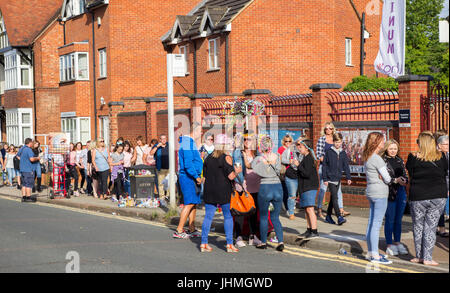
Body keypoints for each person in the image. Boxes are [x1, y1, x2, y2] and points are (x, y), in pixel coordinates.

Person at [406, 132, 448, 266]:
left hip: (418, 196)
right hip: (438, 196)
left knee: (418, 226)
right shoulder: (441, 157)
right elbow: (445, 172)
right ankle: (428, 258)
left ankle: (419, 256)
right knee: (430, 227)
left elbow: (410, 173)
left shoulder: (412, 157)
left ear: (420, 143)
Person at [363, 132, 404, 265]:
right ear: (376, 142)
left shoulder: (368, 156)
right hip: (380, 193)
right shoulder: (378, 159)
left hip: (370, 191)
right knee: (376, 225)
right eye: (382, 141)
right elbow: (387, 179)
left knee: (371, 223)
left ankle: (371, 252)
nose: (383, 143)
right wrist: (396, 179)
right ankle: (375, 254)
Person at [200, 134, 242, 253]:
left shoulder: (208, 158)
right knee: (228, 217)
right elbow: (231, 176)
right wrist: (237, 171)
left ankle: (203, 243)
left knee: (208, 217)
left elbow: (205, 175)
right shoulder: (226, 157)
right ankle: (229, 244)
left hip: (209, 190)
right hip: (223, 190)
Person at [251, 135, 285, 251]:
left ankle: (263, 242)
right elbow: (279, 169)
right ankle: (280, 241)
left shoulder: (259, 158)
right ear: (272, 146)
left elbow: (253, 167)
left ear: (261, 146)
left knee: (264, 217)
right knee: (275, 217)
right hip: (277, 187)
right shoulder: (277, 156)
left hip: (265, 187)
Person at [173, 123, 204, 239]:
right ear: (194, 130)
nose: (201, 133)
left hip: (191, 176)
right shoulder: (187, 143)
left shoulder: (189, 143)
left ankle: (191, 229)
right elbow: (188, 163)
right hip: (188, 177)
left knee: (194, 203)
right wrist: (196, 177)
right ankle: (179, 230)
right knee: (189, 203)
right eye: (200, 131)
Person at [233, 133, 262, 247]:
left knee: (253, 212)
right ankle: (238, 237)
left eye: (249, 139)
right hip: (243, 186)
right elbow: (237, 168)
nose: (246, 141)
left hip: (255, 186)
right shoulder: (238, 152)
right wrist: (239, 183)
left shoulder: (257, 153)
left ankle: (252, 236)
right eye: (244, 139)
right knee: (240, 212)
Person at [381, 139, 409, 256]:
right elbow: (384, 178)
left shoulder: (399, 160)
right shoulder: (383, 160)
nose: (393, 151)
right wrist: (396, 180)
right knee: (390, 218)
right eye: (391, 148)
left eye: (395, 149)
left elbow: (404, 174)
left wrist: (405, 180)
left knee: (398, 219)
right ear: (386, 148)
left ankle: (397, 242)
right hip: (389, 192)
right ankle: (389, 244)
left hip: (401, 191)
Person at [316, 122, 350, 219]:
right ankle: (319, 209)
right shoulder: (322, 139)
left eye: (330, 128)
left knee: (338, 190)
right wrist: (329, 162)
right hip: (325, 167)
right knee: (323, 189)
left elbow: (340, 154)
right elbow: (319, 155)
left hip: (335, 169)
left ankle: (341, 209)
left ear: (333, 129)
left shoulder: (336, 139)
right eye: (326, 129)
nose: (328, 130)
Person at [322, 133, 352, 225]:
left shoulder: (343, 153)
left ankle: (328, 216)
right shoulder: (329, 152)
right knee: (335, 197)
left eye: (339, 142)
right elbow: (324, 166)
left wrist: (348, 177)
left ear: (341, 142)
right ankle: (339, 216)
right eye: (336, 142)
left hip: (338, 178)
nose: (338, 144)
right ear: (333, 142)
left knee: (332, 198)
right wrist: (325, 178)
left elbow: (346, 166)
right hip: (330, 178)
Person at [296, 139, 320, 239]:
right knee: (306, 209)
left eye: (300, 147)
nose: (299, 148)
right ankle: (309, 229)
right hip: (305, 187)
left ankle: (314, 231)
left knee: (310, 209)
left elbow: (306, 173)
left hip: (310, 187)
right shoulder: (305, 158)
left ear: (306, 148)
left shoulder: (309, 158)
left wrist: (298, 165)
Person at [281, 137, 304, 220]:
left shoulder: (305, 151)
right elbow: (282, 158)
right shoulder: (290, 150)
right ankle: (291, 212)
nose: (299, 146)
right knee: (292, 195)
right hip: (291, 176)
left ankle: (305, 210)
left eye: (301, 144)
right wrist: (289, 162)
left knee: (301, 194)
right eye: (298, 144)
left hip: (301, 175)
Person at [435, 134, 449, 238]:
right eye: (446, 144)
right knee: (439, 207)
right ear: (439, 145)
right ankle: (439, 228)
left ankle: (441, 227)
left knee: (442, 207)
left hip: (446, 184)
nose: (448, 146)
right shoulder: (436, 155)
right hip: (439, 185)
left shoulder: (446, 153)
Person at [277, 135, 293, 212]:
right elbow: (280, 160)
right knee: (285, 190)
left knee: (290, 190)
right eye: (286, 141)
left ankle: (288, 206)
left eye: (289, 141)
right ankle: (287, 207)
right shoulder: (281, 149)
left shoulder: (291, 149)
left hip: (291, 172)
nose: (287, 143)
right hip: (283, 172)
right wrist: (289, 161)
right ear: (283, 141)